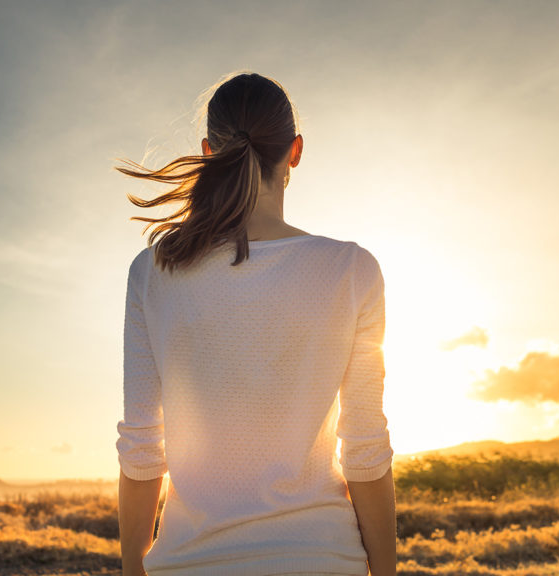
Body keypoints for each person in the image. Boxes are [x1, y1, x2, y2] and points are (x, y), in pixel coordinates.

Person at [114, 72, 396, 576]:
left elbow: (141, 445)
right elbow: (366, 447)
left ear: (207, 152)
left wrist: (133, 567)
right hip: (323, 561)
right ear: (295, 150)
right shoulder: (353, 271)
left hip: (188, 565)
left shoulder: (154, 272)